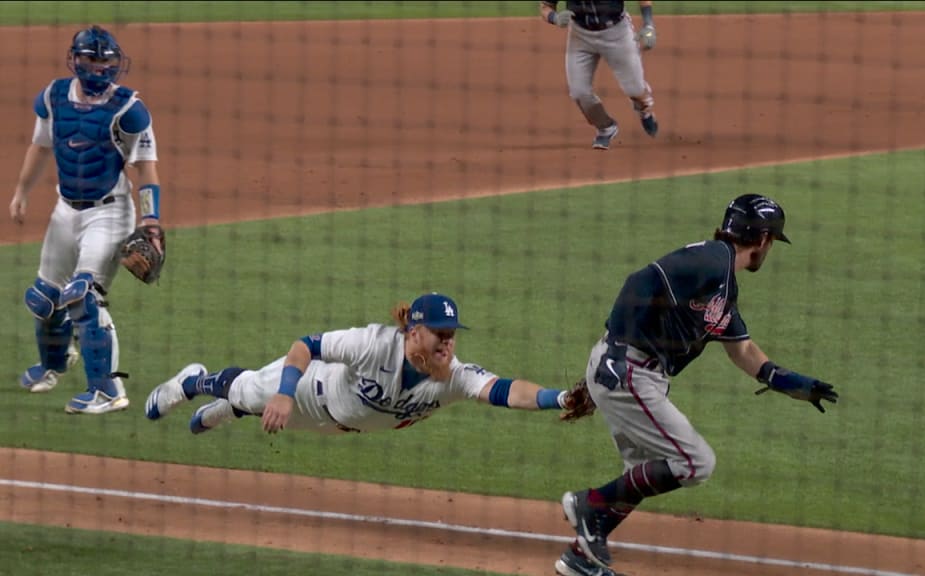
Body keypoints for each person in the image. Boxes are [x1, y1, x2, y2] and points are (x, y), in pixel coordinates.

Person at [554, 194, 839, 576]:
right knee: (695, 462)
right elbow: (641, 280)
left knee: (645, 470)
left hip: (636, 372)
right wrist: (617, 349)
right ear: (765, 240)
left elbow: (744, 350)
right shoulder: (712, 259)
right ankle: (590, 504)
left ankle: (580, 558)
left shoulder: (722, 285)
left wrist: (793, 383)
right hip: (627, 368)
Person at [144, 293, 578, 435]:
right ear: (414, 333)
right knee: (247, 391)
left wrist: (557, 396)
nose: (448, 343)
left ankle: (234, 408)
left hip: (336, 424)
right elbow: (304, 346)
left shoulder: (454, 377)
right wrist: (283, 392)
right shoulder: (372, 344)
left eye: (452, 335)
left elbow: (506, 391)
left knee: (262, 411)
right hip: (305, 390)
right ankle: (192, 382)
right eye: (440, 334)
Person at [9, 25, 164, 414]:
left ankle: (108, 392)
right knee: (44, 298)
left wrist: (152, 222)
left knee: (82, 296)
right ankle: (53, 365)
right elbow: (40, 146)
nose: (97, 67)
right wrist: (21, 193)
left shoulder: (129, 110)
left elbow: (146, 169)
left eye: (105, 60)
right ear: (75, 59)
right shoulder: (54, 97)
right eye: (90, 59)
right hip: (65, 209)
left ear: (116, 64)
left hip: (109, 211)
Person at [540, 1, 659, 150]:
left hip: (617, 34)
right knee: (579, 92)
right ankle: (606, 127)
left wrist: (648, 25)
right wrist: (554, 18)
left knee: (635, 90)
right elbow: (545, 7)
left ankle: (644, 110)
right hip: (580, 36)